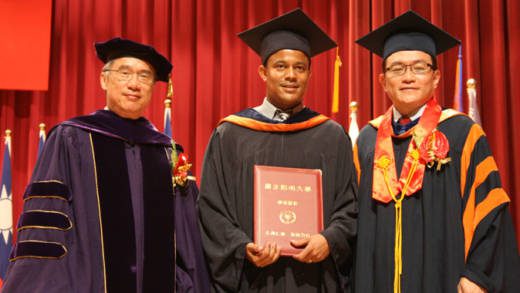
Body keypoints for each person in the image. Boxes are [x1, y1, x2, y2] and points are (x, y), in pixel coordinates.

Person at [1, 37, 209, 292]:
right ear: (103, 79)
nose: (134, 84)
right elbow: (47, 224)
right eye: (125, 73)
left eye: (145, 76)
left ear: (154, 86)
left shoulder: (168, 152)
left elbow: (186, 236)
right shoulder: (71, 138)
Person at [353, 11, 520, 293]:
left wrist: (478, 274)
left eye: (419, 68)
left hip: (446, 278)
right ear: (383, 81)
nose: (408, 77)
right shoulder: (367, 140)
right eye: (397, 69)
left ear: (436, 77)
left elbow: (489, 210)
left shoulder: (462, 133)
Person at [197, 8, 357, 292]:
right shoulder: (231, 134)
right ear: (263, 72)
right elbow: (211, 209)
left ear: (309, 73)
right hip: (253, 280)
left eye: (299, 67)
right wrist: (241, 247)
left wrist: (329, 240)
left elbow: (350, 208)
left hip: (314, 279)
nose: (291, 75)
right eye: (280, 66)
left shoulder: (331, 136)